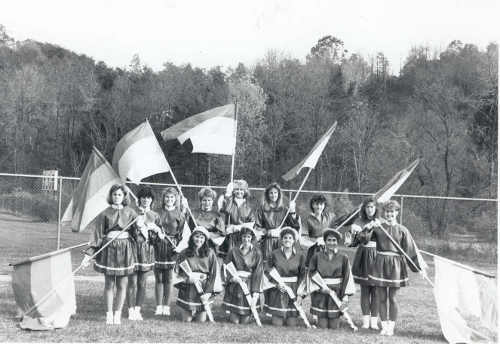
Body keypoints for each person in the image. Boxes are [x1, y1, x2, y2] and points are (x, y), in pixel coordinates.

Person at [359, 200, 426, 336]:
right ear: (384, 213)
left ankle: (391, 326)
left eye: (392, 211)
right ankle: (384, 326)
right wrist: (369, 227)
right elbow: (363, 239)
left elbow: (410, 250)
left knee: (393, 297)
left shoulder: (403, 230)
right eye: (387, 212)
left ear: (397, 213)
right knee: (381, 297)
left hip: (395, 264)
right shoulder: (378, 227)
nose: (389, 214)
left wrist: (418, 268)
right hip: (380, 263)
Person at [82, 184, 137, 325]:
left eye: (119, 194)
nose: (117, 197)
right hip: (109, 249)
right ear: (110, 196)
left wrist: (141, 225)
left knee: (122, 284)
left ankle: (117, 314)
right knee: (109, 284)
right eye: (114, 194)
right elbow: (97, 235)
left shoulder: (131, 212)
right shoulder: (104, 213)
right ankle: (109, 314)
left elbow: (138, 235)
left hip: (125, 250)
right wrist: (89, 254)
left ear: (124, 196)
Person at [151, 187, 188, 317]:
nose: (169, 199)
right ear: (163, 198)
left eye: (172, 197)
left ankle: (166, 306)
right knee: (159, 278)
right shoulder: (156, 213)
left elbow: (184, 234)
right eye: (167, 197)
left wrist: (180, 247)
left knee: (169, 278)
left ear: (176, 199)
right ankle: (158, 306)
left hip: (172, 248)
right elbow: (151, 230)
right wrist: (156, 233)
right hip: (158, 246)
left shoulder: (180, 214)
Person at [308, 228, 355, 329]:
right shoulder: (316, 256)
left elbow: (347, 277)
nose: (331, 242)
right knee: (323, 326)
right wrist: (320, 288)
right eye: (329, 240)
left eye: (334, 240)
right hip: (321, 293)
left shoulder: (343, 257)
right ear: (324, 241)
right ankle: (318, 318)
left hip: (336, 294)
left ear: (337, 242)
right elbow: (311, 274)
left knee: (334, 326)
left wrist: (345, 296)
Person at [127, 186, 161, 321]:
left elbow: (158, 238)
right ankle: (130, 310)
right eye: (143, 197)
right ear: (139, 199)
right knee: (132, 282)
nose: (146, 200)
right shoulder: (132, 213)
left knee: (142, 283)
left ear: (152, 200)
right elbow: (129, 231)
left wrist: (156, 231)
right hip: (133, 250)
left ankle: (137, 309)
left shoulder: (155, 215)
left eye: (149, 197)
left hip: (147, 251)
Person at [175, 226, 222, 322]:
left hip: (203, 288)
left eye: (202, 237)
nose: (199, 240)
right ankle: (189, 311)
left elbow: (213, 274)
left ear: (205, 239)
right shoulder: (184, 253)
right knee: (187, 320)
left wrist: (208, 292)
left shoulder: (210, 253)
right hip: (189, 287)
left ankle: (199, 312)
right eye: (197, 236)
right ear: (192, 237)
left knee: (201, 321)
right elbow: (177, 271)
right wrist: (187, 279)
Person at [345, 198, 379, 330]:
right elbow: (353, 243)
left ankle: (374, 321)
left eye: (372, 207)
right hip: (363, 255)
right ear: (364, 209)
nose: (370, 209)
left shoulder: (380, 222)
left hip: (376, 256)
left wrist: (377, 226)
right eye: (367, 207)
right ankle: (366, 320)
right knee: (365, 289)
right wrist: (353, 234)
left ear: (376, 208)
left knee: (376, 289)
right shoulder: (358, 222)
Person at [263, 227, 306, 327]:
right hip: (278, 291)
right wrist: (276, 284)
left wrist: (300, 293)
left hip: (293, 290)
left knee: (292, 324)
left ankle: (291, 314)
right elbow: (267, 271)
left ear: (294, 240)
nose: (287, 240)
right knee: (277, 324)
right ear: (281, 240)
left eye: (290, 238)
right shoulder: (274, 254)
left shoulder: (300, 256)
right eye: (285, 237)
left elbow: (302, 275)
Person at [223, 226, 263, 324]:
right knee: (235, 321)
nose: (246, 239)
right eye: (244, 236)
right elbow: (225, 266)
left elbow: (258, 272)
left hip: (248, 284)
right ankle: (234, 312)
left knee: (245, 321)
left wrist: (255, 291)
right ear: (240, 237)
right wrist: (231, 278)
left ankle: (249, 314)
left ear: (252, 238)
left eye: (248, 237)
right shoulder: (233, 251)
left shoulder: (257, 252)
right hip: (236, 284)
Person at [255, 182, 300, 262]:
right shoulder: (262, 209)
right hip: (267, 242)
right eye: (271, 193)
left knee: (279, 263)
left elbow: (294, 227)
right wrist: (268, 232)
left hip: (281, 242)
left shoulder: (284, 209)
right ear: (267, 195)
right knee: (268, 264)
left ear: (279, 194)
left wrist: (292, 212)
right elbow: (257, 227)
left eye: (275, 193)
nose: (273, 195)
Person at [218, 179, 255, 257]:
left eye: (241, 190)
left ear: (245, 191)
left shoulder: (248, 206)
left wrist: (237, 227)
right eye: (237, 189)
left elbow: (252, 223)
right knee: (229, 258)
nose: (239, 192)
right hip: (229, 236)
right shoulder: (229, 202)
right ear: (233, 191)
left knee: (241, 258)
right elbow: (221, 212)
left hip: (243, 237)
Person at [189, 187, 226, 254]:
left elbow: (221, 233)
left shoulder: (217, 215)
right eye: (204, 200)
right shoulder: (193, 214)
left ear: (212, 201)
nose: (207, 203)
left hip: (210, 245)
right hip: (196, 244)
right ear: (201, 201)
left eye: (209, 200)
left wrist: (207, 234)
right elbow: (188, 230)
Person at [303, 195, 335, 268]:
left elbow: (343, 219)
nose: (319, 207)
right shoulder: (308, 219)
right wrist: (316, 240)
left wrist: (357, 210)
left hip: (327, 250)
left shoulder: (329, 217)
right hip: (313, 251)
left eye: (321, 204)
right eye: (317, 204)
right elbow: (303, 238)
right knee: (313, 274)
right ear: (312, 205)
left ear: (324, 205)